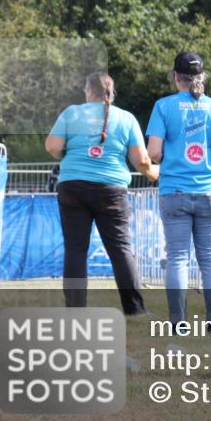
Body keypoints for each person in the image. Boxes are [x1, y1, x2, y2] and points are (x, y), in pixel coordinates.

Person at [146, 52, 211, 329]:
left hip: (174, 191)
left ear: (175, 76)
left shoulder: (163, 107)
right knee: (210, 258)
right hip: (210, 192)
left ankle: (179, 321)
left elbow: (154, 153)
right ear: (201, 77)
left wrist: (170, 155)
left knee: (178, 258)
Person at [45, 73, 158, 314]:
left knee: (75, 249)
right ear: (111, 92)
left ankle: (76, 310)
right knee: (120, 249)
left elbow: (53, 147)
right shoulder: (126, 118)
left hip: (72, 186)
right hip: (111, 190)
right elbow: (142, 162)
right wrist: (155, 175)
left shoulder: (71, 113)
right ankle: (135, 309)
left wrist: (68, 155)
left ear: (88, 91)